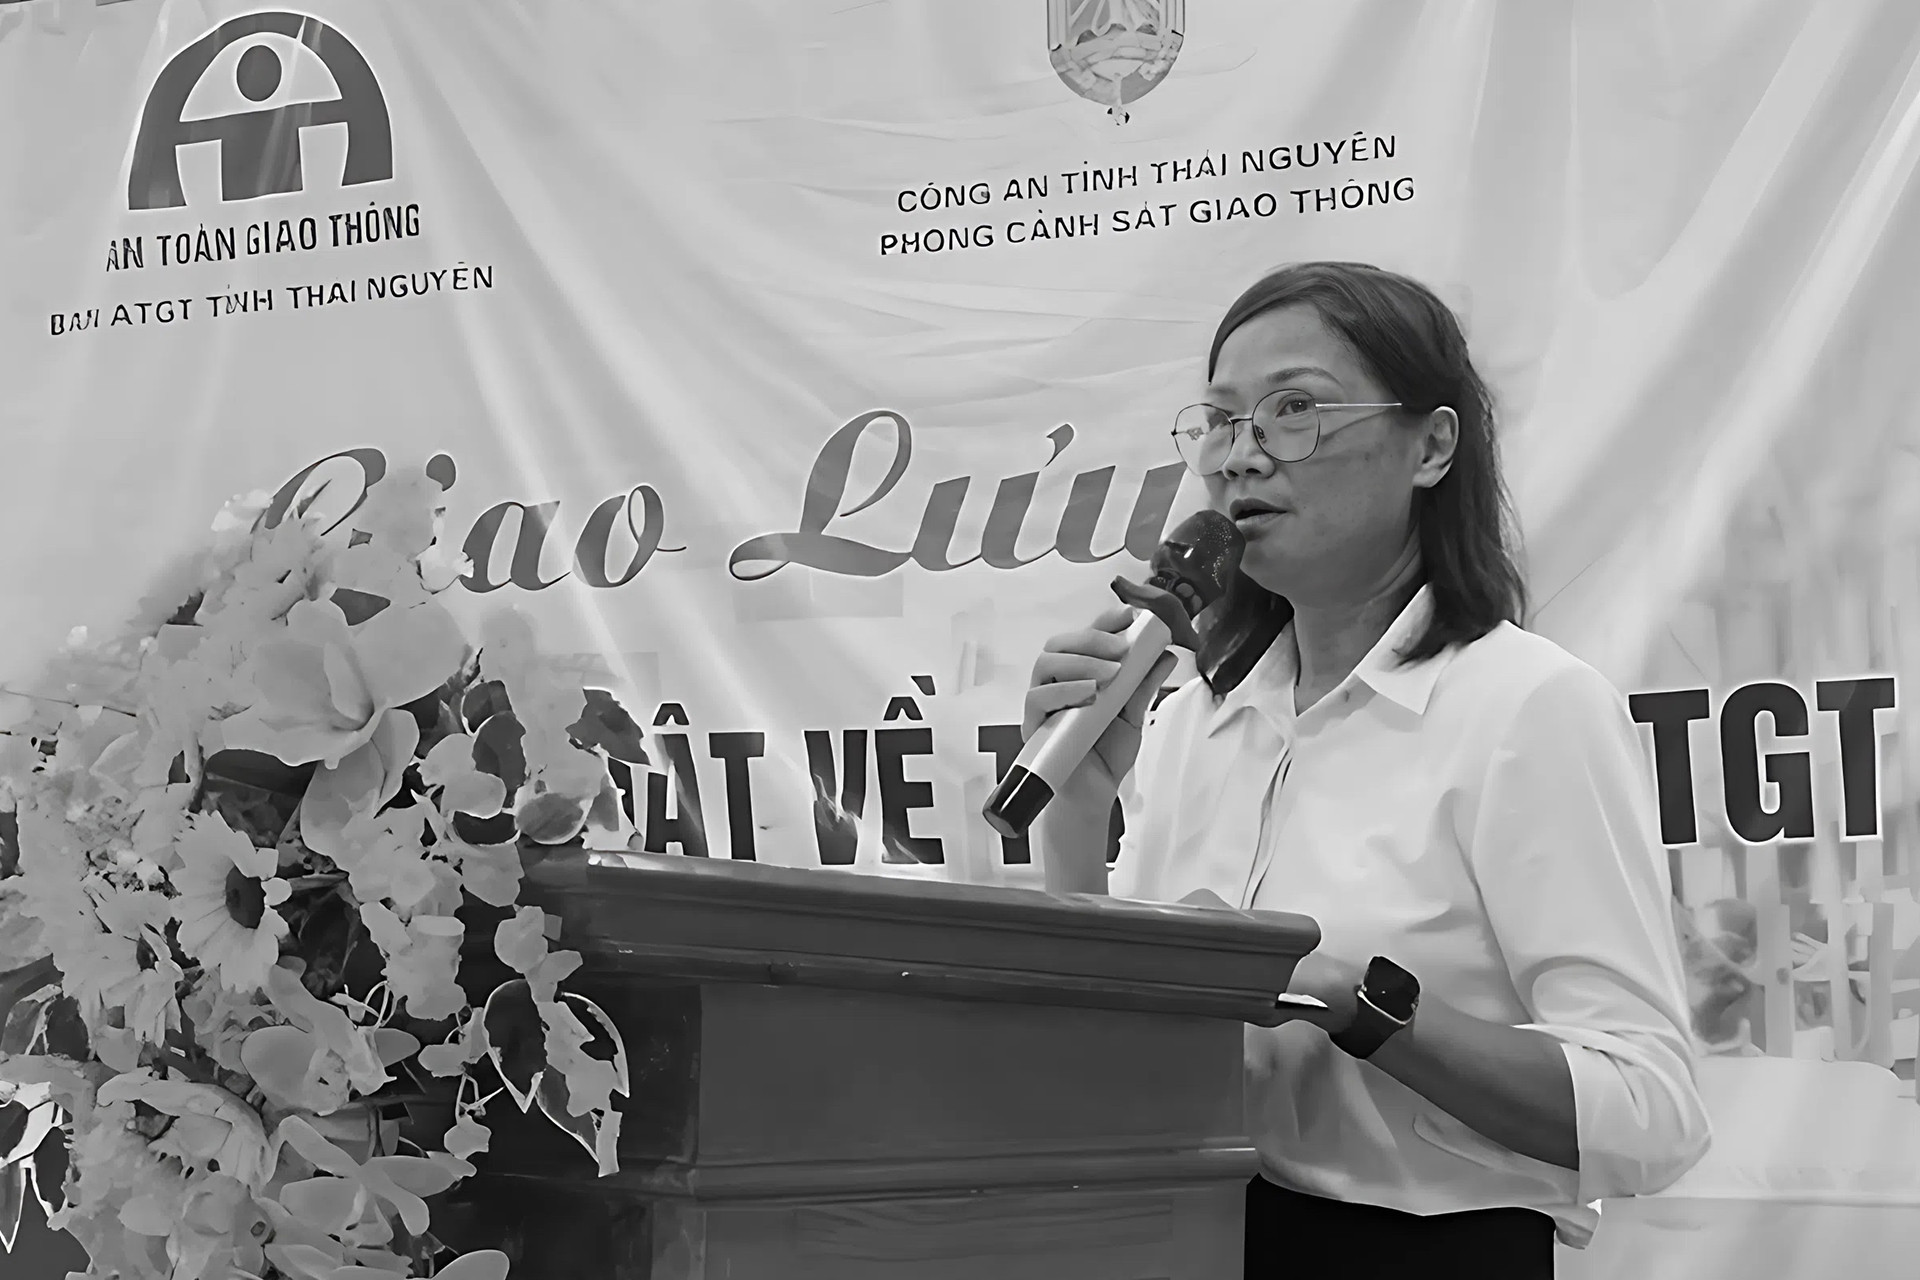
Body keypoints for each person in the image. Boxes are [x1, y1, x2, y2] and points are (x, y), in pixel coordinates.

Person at [1024, 262, 1711, 1276]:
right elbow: (1105, 1056)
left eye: (1293, 410)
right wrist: (1078, 816)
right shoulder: (1192, 720)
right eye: (1220, 421)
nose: (1240, 456)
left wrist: (1359, 1002)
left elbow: (1649, 1109)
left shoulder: (1525, 707)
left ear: (1431, 446)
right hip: (1188, 1238)